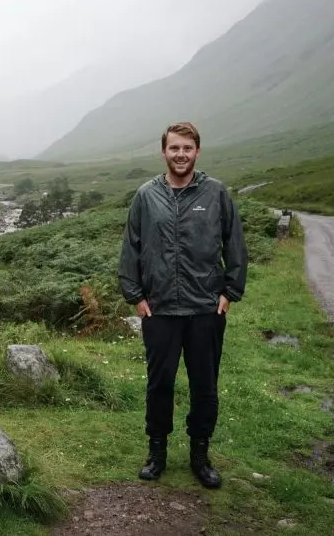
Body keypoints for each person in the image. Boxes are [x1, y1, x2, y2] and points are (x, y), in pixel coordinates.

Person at [118, 121, 247, 489]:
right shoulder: (146, 196)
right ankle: (156, 452)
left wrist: (229, 292)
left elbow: (234, 243)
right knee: (159, 384)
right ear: (164, 152)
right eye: (174, 148)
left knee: (205, 386)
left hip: (206, 310)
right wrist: (136, 297)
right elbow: (131, 248)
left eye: (187, 148)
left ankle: (200, 456)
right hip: (159, 311)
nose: (180, 155)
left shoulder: (216, 193)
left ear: (197, 152)